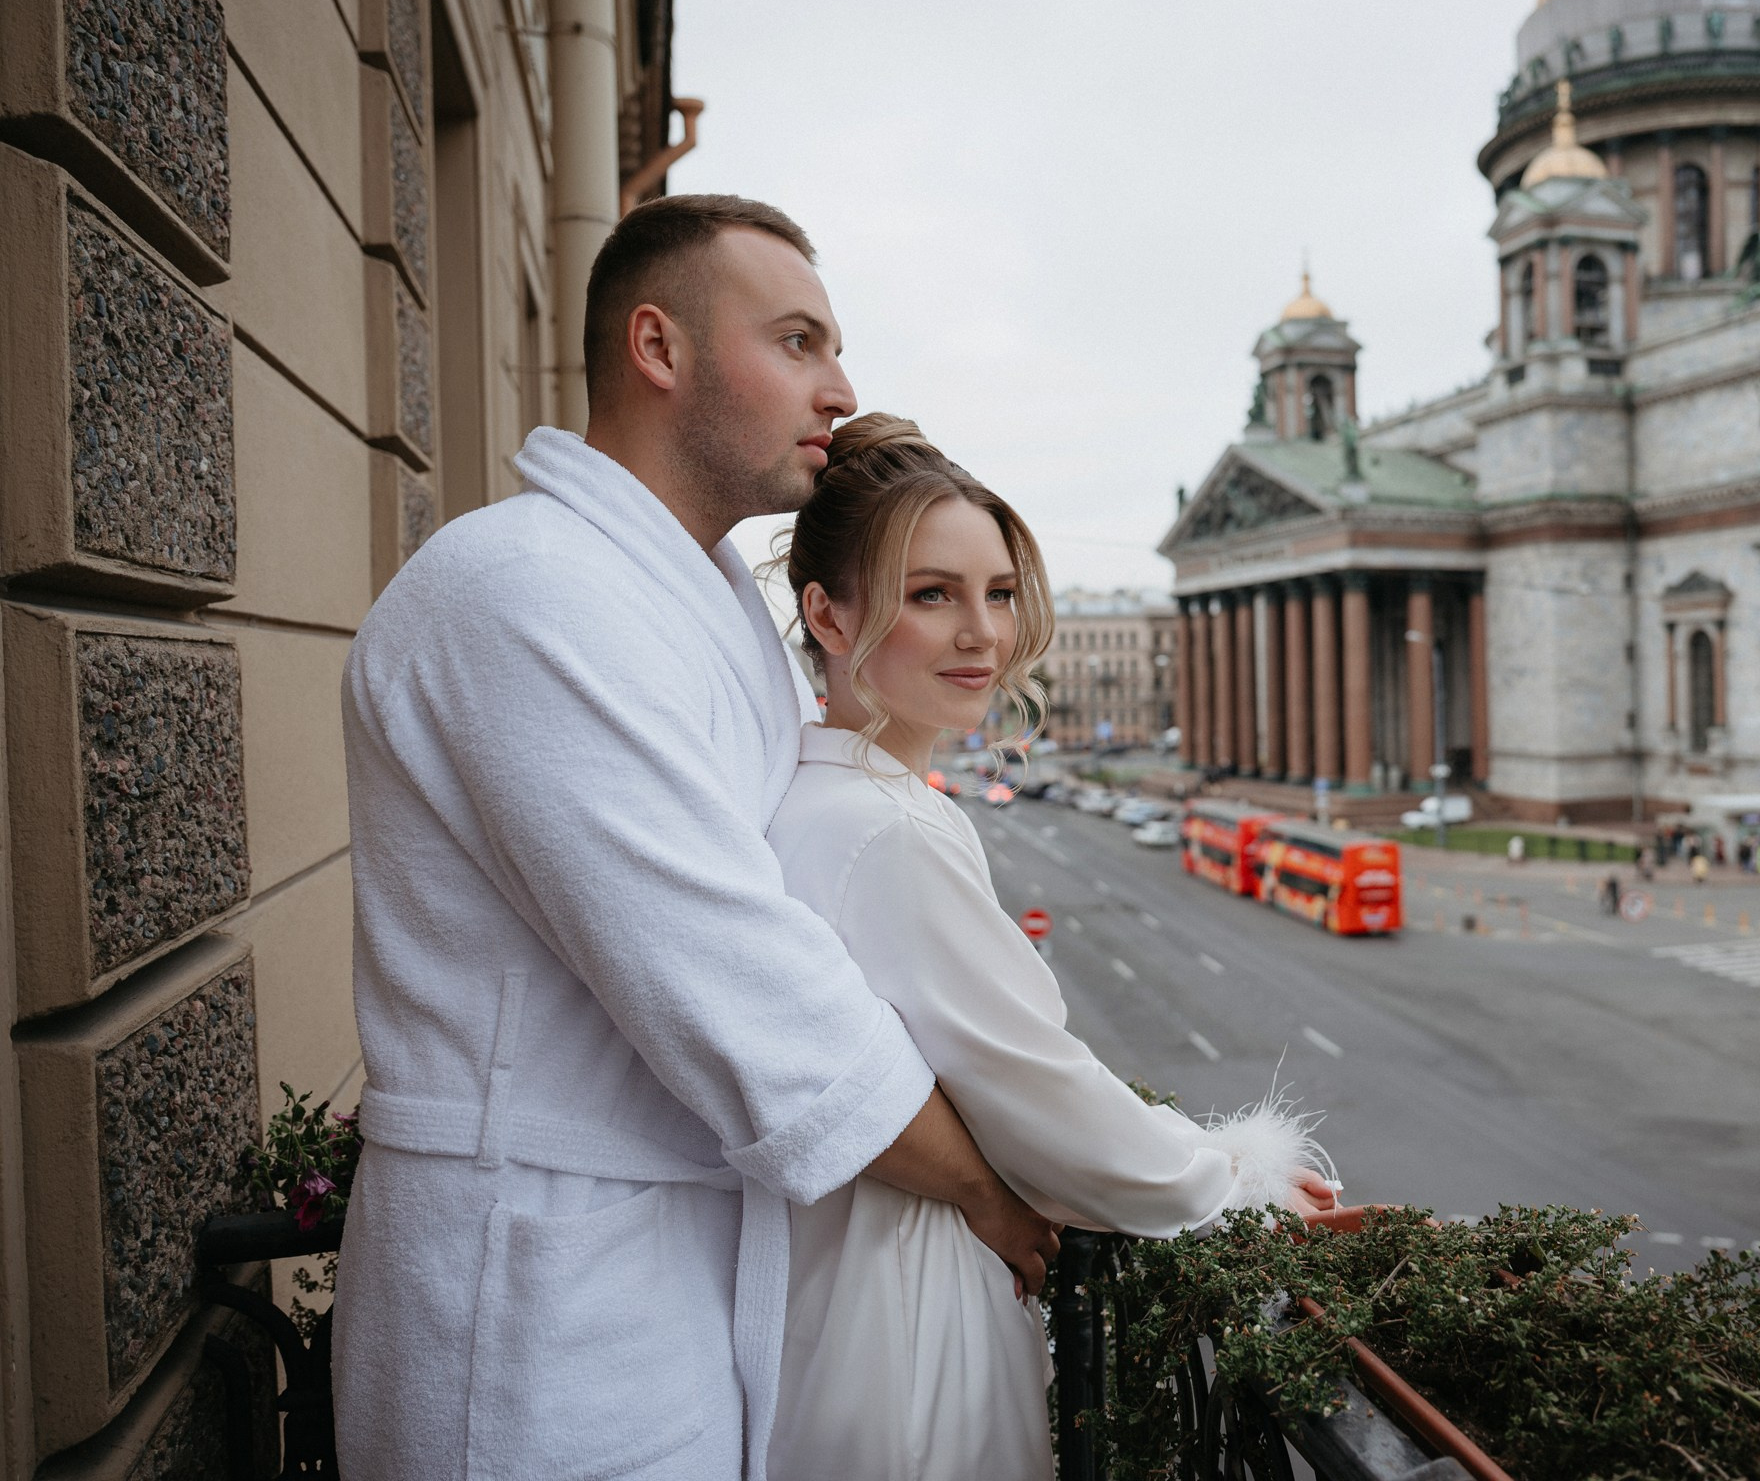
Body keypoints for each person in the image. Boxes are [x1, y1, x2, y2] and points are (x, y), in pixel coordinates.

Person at [333, 197, 1062, 1480]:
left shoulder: (695, 602)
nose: (838, 388)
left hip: (674, 1270)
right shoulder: (524, 592)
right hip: (533, 1310)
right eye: (796, 342)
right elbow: (732, 973)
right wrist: (990, 1189)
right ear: (658, 349)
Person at [767, 417, 1334, 1479]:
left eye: (997, 591)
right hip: (909, 1311)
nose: (981, 632)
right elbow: (1035, 1093)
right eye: (931, 594)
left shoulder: (818, 796)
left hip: (828, 1283)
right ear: (828, 614)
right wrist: (1232, 1175)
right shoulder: (887, 828)